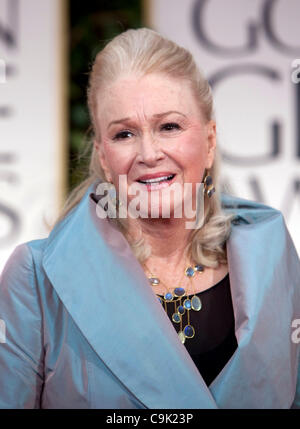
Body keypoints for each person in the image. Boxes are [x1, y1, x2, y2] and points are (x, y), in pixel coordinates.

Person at [0, 28, 299, 410]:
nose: (149, 153)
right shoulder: (36, 280)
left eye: (169, 127)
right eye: (124, 134)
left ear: (209, 142)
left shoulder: (272, 259)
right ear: (105, 158)